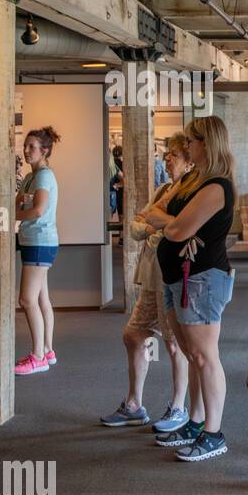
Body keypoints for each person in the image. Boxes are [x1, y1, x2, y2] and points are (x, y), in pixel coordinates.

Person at [146, 116, 237, 462]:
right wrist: (167, 221)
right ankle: (197, 421)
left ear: (207, 144)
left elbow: (176, 230)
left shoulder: (216, 186)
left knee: (204, 356)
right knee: (192, 354)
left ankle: (213, 432)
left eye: (193, 142)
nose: (187, 148)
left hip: (201, 279)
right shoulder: (195, 181)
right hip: (179, 277)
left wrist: (166, 222)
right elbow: (157, 211)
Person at [99, 132, 192, 430]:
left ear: (189, 161)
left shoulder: (189, 194)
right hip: (151, 276)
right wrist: (155, 227)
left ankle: (179, 407)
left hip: (171, 276)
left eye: (173, 155)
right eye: (166, 154)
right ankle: (134, 404)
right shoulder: (164, 189)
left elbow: (176, 231)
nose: (167, 159)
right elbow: (137, 227)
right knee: (134, 334)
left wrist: (155, 225)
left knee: (174, 343)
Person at [14, 126, 62, 376]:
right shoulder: (33, 176)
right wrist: (19, 204)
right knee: (41, 298)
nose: (26, 150)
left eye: (32, 146)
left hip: (39, 242)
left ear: (44, 151)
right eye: (25, 145)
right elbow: (21, 200)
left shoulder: (43, 176)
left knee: (27, 299)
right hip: (36, 241)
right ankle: (47, 350)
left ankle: (38, 357)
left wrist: (13, 215)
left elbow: (38, 210)